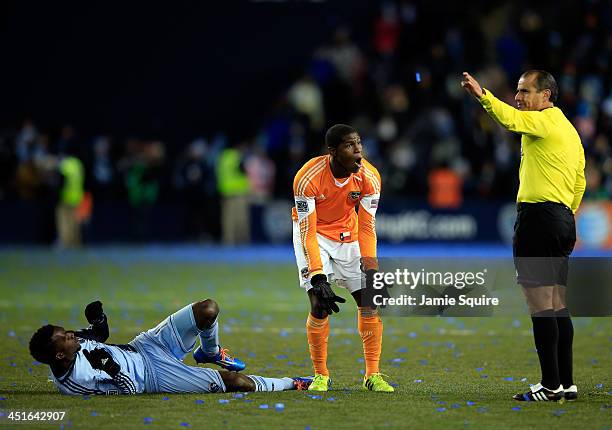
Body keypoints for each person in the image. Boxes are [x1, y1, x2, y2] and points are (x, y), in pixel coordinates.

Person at [461, 70, 586, 402]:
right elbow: (580, 181)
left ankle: (550, 385)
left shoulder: (544, 122)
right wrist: (566, 213)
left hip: (539, 219)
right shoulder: (570, 132)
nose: (518, 98)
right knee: (558, 304)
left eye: (524, 91)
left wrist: (483, 96)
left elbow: (511, 121)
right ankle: (566, 383)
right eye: (517, 91)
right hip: (560, 218)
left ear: (545, 96)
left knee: (540, 306)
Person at [291, 124, 393, 392]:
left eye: (359, 143)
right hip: (315, 236)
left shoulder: (369, 176)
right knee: (320, 302)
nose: (358, 149)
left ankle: (373, 375)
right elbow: (308, 232)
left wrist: (372, 270)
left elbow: (368, 225)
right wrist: (318, 275)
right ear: (333, 151)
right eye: (350, 145)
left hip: (350, 234)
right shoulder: (307, 177)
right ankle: (321, 375)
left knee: (369, 300)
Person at [28, 300, 313, 395]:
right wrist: (111, 368)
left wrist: (98, 320)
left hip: (144, 345)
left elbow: (99, 335)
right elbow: (129, 389)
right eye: (64, 336)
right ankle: (292, 383)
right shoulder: (79, 380)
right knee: (236, 382)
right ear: (60, 355)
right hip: (153, 376)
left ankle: (210, 352)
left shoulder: (70, 347)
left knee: (208, 309)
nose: (70, 334)